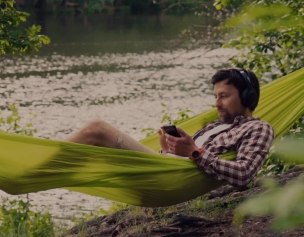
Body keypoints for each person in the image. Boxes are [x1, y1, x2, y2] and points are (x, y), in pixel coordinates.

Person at [65, 68, 275, 189]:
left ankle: (35, 168)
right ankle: (43, 171)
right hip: (164, 168)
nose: (217, 104)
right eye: (215, 96)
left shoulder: (258, 128)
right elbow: (185, 156)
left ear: (248, 97)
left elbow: (245, 174)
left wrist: (194, 152)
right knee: (95, 147)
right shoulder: (214, 126)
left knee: (97, 129)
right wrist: (168, 149)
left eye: (224, 96)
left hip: (172, 182)